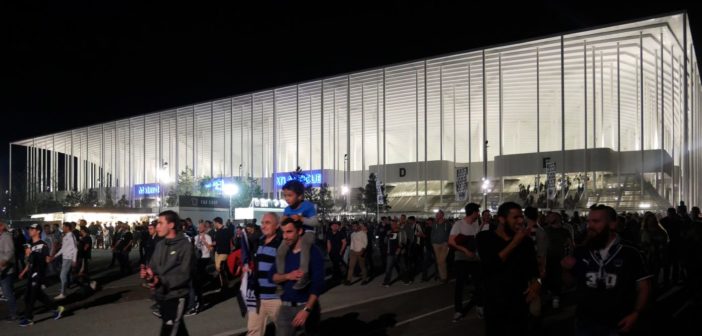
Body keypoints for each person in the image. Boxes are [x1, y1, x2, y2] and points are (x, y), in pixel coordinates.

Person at [562, 204, 651, 335]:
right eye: (589, 221)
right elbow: (569, 283)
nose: (590, 226)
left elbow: (644, 286)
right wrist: (565, 269)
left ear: (612, 224)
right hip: (585, 322)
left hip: (618, 323)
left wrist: (636, 313)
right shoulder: (581, 251)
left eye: (596, 221)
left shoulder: (630, 253)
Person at [477, 202, 540, 336]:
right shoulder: (484, 238)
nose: (521, 221)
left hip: (519, 304)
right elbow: (491, 265)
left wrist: (537, 283)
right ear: (501, 219)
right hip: (495, 304)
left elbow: (534, 270)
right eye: (515, 217)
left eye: (521, 217)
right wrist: (514, 243)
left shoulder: (526, 242)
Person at [141, 210, 193, 336]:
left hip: (177, 296)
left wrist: (161, 280)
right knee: (178, 330)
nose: (157, 226)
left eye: (160, 223)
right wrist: (149, 275)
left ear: (171, 225)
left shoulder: (185, 245)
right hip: (161, 296)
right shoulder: (160, 245)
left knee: (169, 330)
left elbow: (185, 274)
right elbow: (153, 268)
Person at [271, 218, 324, 336]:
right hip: (285, 309)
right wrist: (287, 276)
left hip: (307, 308)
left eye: (289, 232)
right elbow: (272, 276)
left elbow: (318, 284)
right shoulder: (283, 253)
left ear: (299, 231)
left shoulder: (313, 252)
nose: (285, 236)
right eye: (283, 232)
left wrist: (307, 310)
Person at [18, 223, 65, 327]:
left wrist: (53, 254)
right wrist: (23, 271)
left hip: (39, 273)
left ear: (38, 231)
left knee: (31, 296)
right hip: (31, 272)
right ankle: (56, 309)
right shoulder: (29, 244)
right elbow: (29, 262)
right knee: (34, 295)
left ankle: (28, 318)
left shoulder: (43, 244)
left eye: (32, 229)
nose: (29, 231)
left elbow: (47, 259)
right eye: (29, 229)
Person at [277, 180, 319, 290]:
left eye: (290, 195)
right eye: (285, 195)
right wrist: (282, 222)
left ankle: (304, 275)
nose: (286, 198)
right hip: (293, 234)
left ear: (300, 196)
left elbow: (315, 222)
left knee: (304, 245)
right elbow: (283, 227)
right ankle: (281, 278)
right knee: (281, 251)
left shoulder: (308, 206)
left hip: (307, 233)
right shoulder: (287, 210)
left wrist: (301, 219)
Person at [449, 203, 488, 322]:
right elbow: (451, 241)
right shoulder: (458, 224)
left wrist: (482, 224)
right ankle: (458, 311)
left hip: (474, 259)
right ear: (473, 212)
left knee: (479, 284)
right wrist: (465, 250)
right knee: (459, 285)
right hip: (461, 259)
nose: (478, 213)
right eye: (477, 211)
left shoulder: (475, 224)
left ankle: (480, 307)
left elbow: (475, 235)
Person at [246, 212, 283, 336]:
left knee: (286, 331)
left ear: (277, 225)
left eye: (268, 223)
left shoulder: (282, 243)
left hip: (276, 298)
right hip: (257, 297)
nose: (263, 226)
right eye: (262, 223)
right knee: (253, 331)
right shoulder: (259, 241)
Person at [49, 222, 78, 300]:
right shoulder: (66, 236)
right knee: (64, 274)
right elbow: (63, 249)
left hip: (68, 258)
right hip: (65, 258)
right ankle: (63, 289)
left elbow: (75, 248)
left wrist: (74, 260)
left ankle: (63, 293)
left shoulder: (71, 236)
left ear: (68, 228)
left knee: (63, 275)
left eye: (64, 227)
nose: (62, 228)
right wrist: (54, 256)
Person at [190, 221, 213, 315]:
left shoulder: (208, 237)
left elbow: (211, 249)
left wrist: (204, 242)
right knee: (197, 278)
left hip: (205, 258)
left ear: (205, 228)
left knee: (199, 278)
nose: (199, 228)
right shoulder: (195, 237)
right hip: (197, 259)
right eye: (198, 226)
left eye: (200, 227)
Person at [0, 220, 18, 321]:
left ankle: (14, 313)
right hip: (3, 270)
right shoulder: (2, 237)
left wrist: (2, 263)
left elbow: (10, 252)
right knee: (7, 293)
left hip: (6, 271)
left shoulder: (6, 237)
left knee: (8, 293)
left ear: (2, 226)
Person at [382, 218, 407, 287]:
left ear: (397, 224)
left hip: (399, 252)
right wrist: (387, 236)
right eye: (391, 224)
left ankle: (405, 280)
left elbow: (404, 242)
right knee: (388, 268)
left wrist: (399, 249)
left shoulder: (401, 232)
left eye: (394, 224)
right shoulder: (390, 232)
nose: (392, 225)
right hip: (390, 252)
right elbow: (385, 241)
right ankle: (386, 282)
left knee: (402, 267)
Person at [212, 217, 232, 290]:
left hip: (224, 252)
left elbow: (226, 241)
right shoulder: (217, 231)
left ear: (217, 222)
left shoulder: (226, 230)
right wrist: (213, 243)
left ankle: (225, 285)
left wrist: (216, 243)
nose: (213, 224)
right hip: (217, 251)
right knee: (219, 268)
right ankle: (223, 284)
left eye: (214, 223)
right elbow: (216, 241)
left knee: (219, 267)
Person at [431, 211, 451, 284]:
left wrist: (447, 242)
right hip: (436, 244)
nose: (436, 215)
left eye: (438, 214)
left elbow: (450, 233)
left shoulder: (447, 224)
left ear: (442, 215)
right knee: (439, 261)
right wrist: (432, 242)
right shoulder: (434, 223)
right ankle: (442, 276)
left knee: (441, 260)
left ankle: (444, 277)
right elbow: (432, 233)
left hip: (444, 244)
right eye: (436, 214)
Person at [76, 226, 97, 292]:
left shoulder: (87, 238)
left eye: (81, 231)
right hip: (81, 256)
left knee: (82, 271)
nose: (80, 232)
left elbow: (86, 247)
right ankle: (86, 284)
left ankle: (91, 282)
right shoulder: (83, 238)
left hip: (84, 256)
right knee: (82, 271)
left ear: (83, 231)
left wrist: (80, 249)